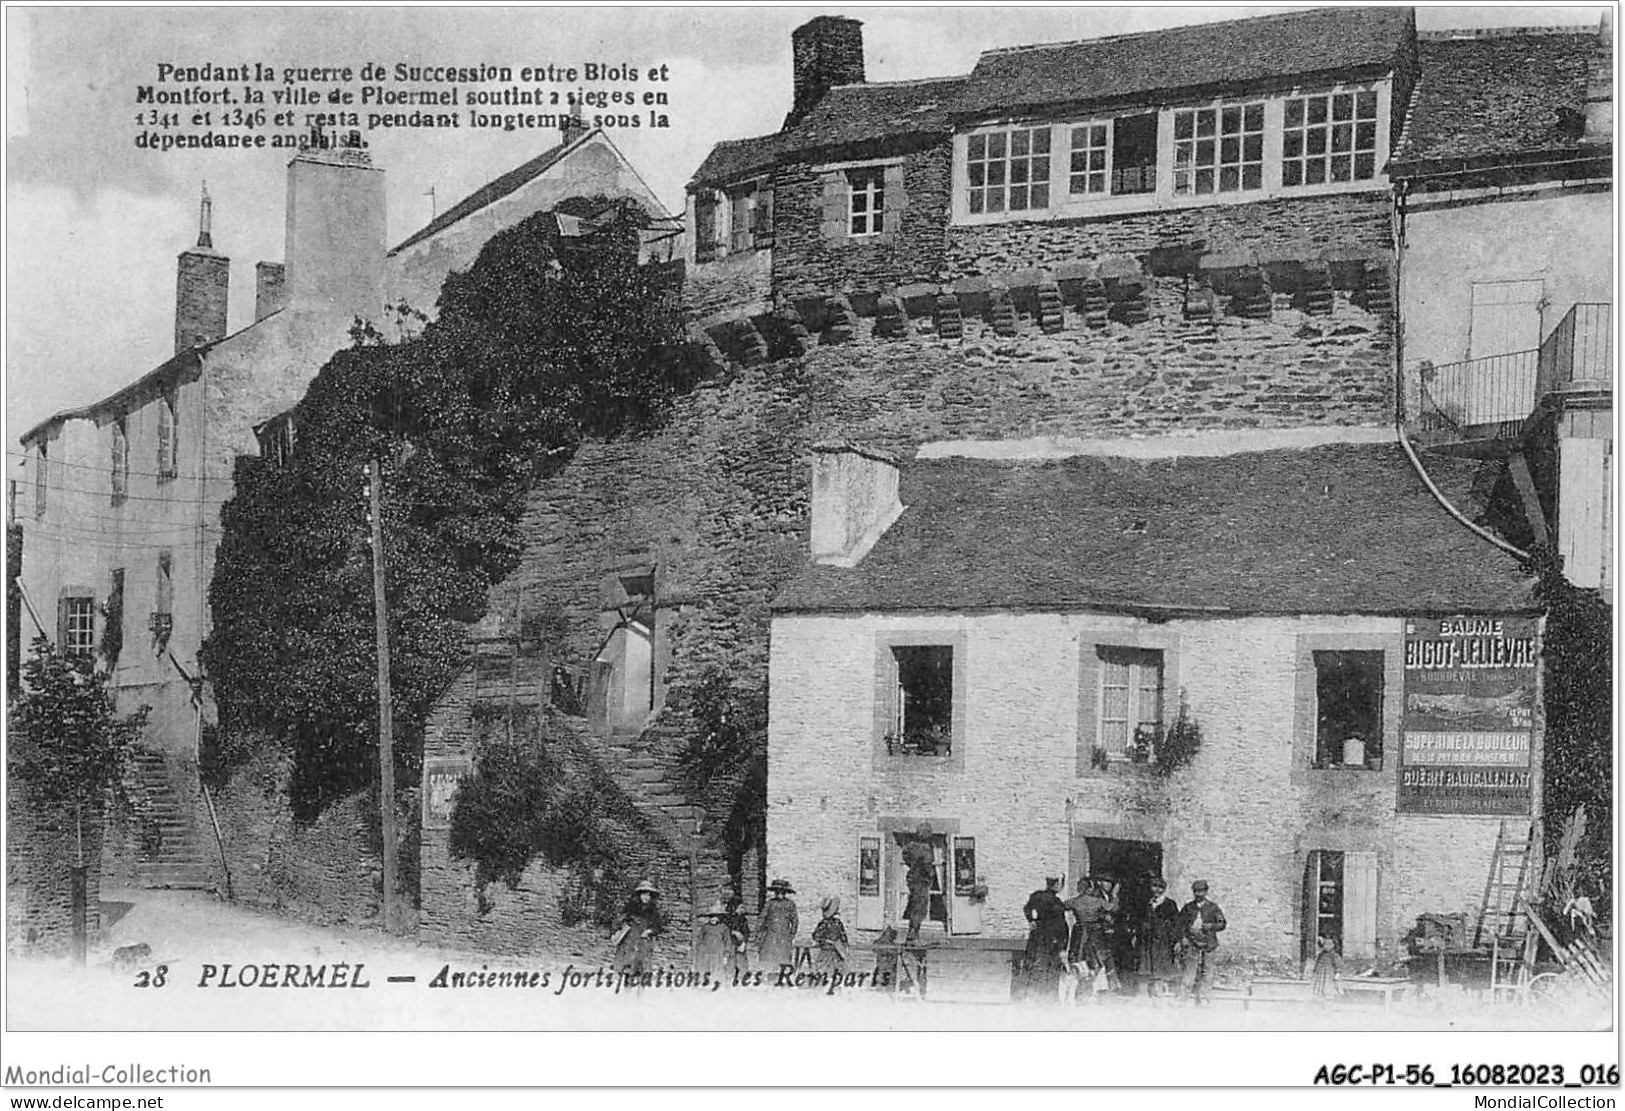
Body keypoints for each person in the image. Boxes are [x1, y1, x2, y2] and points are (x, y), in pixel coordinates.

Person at [1178, 879, 1226, 1004]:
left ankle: (1205, 997)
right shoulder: (1188, 907)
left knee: (1207, 970)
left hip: (1209, 942)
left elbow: (1222, 923)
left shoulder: (1213, 907)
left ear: (1206, 891)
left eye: (1201, 891)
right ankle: (1184, 997)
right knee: (1190, 970)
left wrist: (1211, 926)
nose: (1198, 894)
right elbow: (1180, 924)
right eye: (1196, 892)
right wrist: (1183, 937)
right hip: (1192, 942)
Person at [1064, 877, 1116, 994]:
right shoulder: (1098, 901)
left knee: (1078, 959)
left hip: (1080, 933)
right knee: (1097, 960)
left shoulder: (1074, 901)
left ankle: (1079, 989)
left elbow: (1061, 907)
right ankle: (1097, 989)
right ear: (1089, 888)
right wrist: (1115, 895)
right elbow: (1112, 908)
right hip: (1095, 933)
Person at [1022, 876, 1070, 1001]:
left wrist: (1031, 920)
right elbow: (1058, 921)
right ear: (1054, 884)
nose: (1061, 886)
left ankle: (1037, 996)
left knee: (1041, 965)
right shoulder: (1051, 900)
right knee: (1048, 965)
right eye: (1060, 883)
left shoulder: (1039, 896)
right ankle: (1046, 996)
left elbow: (1027, 908)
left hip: (1044, 935)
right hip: (1049, 936)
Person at [1139, 877, 1182, 997]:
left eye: (1160, 888)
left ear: (1164, 889)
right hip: (1148, 939)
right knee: (1148, 964)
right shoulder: (1148, 903)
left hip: (1163, 939)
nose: (1156, 890)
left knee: (1161, 964)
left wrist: (1177, 940)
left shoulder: (1169, 904)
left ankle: (1160, 990)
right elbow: (1142, 920)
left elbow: (1176, 923)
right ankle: (1149, 991)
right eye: (1154, 886)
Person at [612, 879, 665, 978]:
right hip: (630, 938)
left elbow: (657, 926)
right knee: (628, 964)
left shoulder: (653, 910)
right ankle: (627, 984)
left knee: (642, 966)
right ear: (639, 895)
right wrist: (616, 931)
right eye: (644, 894)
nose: (646, 897)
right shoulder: (631, 906)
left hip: (644, 940)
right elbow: (620, 918)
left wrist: (649, 931)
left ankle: (641, 988)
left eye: (648, 895)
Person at [902, 823, 937, 943]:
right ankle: (913, 935)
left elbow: (905, 855)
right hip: (921, 881)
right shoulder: (926, 849)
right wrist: (931, 874)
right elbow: (928, 866)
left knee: (914, 906)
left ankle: (912, 933)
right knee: (920, 908)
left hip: (912, 880)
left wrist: (912, 865)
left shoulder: (911, 846)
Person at [758, 878, 799, 973]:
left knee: (783, 957)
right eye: (778, 892)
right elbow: (762, 918)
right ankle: (769, 977)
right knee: (769, 958)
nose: (780, 894)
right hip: (770, 935)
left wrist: (791, 934)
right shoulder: (770, 903)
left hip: (784, 935)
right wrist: (759, 931)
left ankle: (782, 977)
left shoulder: (790, 904)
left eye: (782, 892)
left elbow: (795, 920)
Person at [693, 901, 736, 983]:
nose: (713, 919)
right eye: (711, 917)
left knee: (718, 971)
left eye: (716, 917)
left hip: (719, 954)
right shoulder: (705, 927)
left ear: (719, 918)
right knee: (706, 970)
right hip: (707, 954)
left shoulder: (724, 928)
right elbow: (700, 941)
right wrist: (701, 952)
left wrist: (726, 955)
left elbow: (728, 942)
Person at [812, 895, 849, 982]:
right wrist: (827, 941)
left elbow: (844, 937)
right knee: (825, 976)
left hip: (836, 954)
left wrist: (842, 946)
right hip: (826, 953)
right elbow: (816, 936)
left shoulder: (837, 923)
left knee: (837, 977)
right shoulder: (825, 924)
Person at [722, 888, 752, 973]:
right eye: (740, 907)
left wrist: (743, 943)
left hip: (740, 946)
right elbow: (725, 931)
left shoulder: (743, 919)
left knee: (742, 965)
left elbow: (746, 932)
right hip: (730, 945)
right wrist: (734, 932)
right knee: (730, 965)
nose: (742, 909)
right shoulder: (727, 919)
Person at [1309, 934, 1342, 999]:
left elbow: (1338, 964)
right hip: (1320, 974)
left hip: (1329, 974)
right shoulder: (1321, 954)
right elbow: (1318, 962)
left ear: (1333, 945)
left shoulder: (1334, 955)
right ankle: (1320, 995)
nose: (1327, 946)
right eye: (1325, 944)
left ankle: (1329, 997)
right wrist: (1315, 971)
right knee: (1320, 985)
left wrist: (1338, 973)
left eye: (1330, 944)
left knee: (1329, 986)